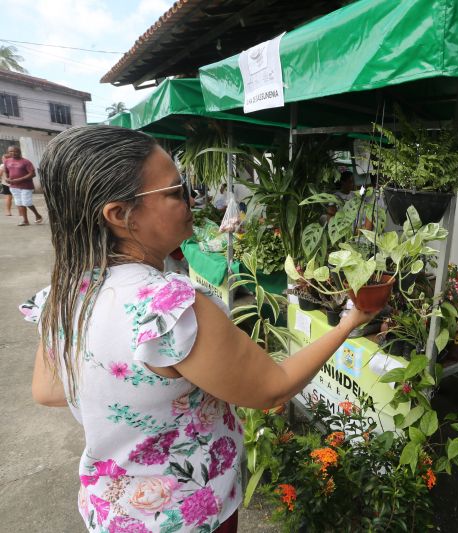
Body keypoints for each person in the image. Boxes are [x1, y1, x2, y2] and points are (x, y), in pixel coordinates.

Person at [21, 125, 375, 533]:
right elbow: (272, 388)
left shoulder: (62, 294)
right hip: (188, 514)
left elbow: (47, 391)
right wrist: (350, 320)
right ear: (120, 215)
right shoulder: (170, 308)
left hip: (111, 511)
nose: (192, 199)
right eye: (175, 192)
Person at [5, 145, 44, 226]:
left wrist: (19, 180)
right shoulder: (7, 161)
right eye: (11, 151)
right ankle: (25, 221)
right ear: (8, 153)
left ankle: (38, 215)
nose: (13, 153)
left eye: (15, 151)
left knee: (27, 203)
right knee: (19, 203)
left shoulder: (26, 162)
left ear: (19, 152)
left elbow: (32, 174)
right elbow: (7, 171)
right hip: (14, 186)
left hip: (26, 186)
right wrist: (7, 179)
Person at [1, 151, 13, 216]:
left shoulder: (12, 164)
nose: (2, 160)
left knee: (18, 197)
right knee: (9, 197)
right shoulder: (2, 166)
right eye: (2, 159)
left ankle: (21, 211)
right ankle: (8, 212)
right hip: (6, 184)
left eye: (3, 159)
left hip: (15, 183)